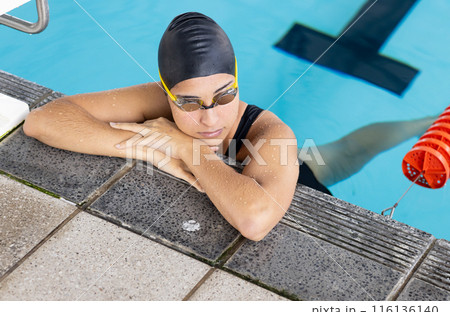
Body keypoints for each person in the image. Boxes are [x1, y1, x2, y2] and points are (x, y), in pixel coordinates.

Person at [23, 12, 436, 240]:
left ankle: (425, 121)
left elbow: (256, 221)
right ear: (166, 93)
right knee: (341, 153)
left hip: (295, 178)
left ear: (238, 83)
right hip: (256, 168)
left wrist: (185, 149)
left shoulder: (271, 135)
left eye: (224, 95)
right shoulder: (161, 97)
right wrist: (146, 148)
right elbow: (44, 121)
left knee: (348, 152)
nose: (210, 117)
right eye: (187, 103)